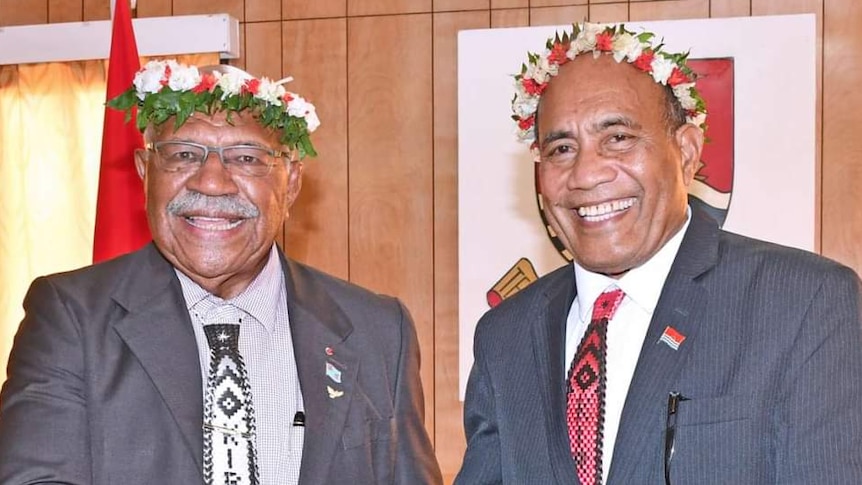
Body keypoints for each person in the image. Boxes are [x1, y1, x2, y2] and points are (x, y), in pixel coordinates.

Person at [455, 22, 862, 484]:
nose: (586, 174)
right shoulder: (505, 335)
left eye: (618, 138)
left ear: (687, 152)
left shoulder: (802, 302)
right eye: (562, 148)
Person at [0, 61, 442, 485]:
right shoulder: (71, 318)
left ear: (290, 185)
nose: (211, 182)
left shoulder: (376, 328)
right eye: (183, 154)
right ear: (144, 173)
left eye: (246, 158)